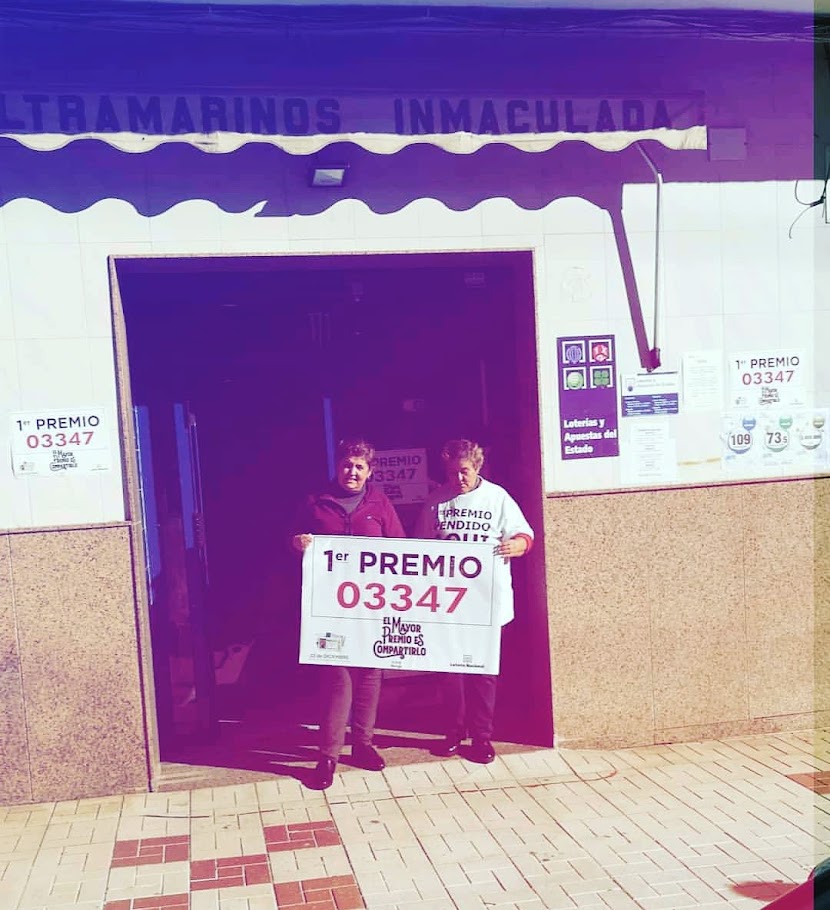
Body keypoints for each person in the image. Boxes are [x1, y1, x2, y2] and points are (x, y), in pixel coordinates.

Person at [292, 438, 405, 789]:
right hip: (330, 608)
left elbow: (400, 549)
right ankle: (328, 755)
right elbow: (291, 539)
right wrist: (297, 543)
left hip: (372, 606)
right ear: (337, 467)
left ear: (369, 471)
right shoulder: (316, 502)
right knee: (338, 678)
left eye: (359, 467)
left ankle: (363, 744)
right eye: (346, 465)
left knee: (370, 673)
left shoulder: (380, 503)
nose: (352, 472)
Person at [415, 438, 533, 764]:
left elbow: (525, 534)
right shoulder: (436, 501)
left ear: (477, 467)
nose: (458, 478)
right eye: (452, 472)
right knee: (449, 673)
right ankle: (454, 733)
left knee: (483, 673)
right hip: (447, 602)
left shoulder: (497, 497)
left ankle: (482, 737)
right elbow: (420, 547)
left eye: (464, 471)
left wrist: (518, 545)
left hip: (486, 601)